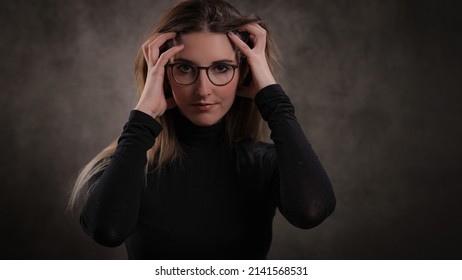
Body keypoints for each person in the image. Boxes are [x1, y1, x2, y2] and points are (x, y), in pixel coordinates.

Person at [69, 0, 336, 260]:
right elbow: (107, 231)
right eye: (185, 68)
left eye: (221, 68)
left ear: (244, 73)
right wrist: (143, 116)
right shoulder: (127, 166)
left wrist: (274, 100)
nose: (203, 90)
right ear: (161, 74)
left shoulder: (263, 163)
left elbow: (311, 211)